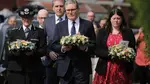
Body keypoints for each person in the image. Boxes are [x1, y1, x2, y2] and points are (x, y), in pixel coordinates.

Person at [50, 0, 96, 84]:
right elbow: (53, 45)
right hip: (65, 69)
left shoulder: (87, 25)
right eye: (68, 10)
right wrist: (63, 48)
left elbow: (94, 45)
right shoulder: (60, 26)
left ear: (78, 10)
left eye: (73, 9)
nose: (70, 12)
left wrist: (85, 47)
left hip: (82, 68)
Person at [5, 5, 46, 84]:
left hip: (33, 71)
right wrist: (14, 52)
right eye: (24, 17)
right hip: (16, 71)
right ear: (21, 18)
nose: (26, 20)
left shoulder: (39, 32)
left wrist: (33, 52)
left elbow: (43, 50)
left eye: (29, 17)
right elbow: (7, 51)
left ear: (33, 18)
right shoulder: (12, 32)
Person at [93, 8, 136, 84]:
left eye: (118, 18)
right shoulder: (102, 32)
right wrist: (111, 53)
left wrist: (125, 54)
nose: (116, 20)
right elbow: (97, 50)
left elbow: (133, 49)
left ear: (122, 19)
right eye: (114, 18)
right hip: (105, 69)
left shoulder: (128, 32)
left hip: (122, 69)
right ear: (110, 19)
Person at [43, 0, 66, 84]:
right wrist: (48, 52)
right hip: (50, 61)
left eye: (61, 6)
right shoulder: (47, 21)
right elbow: (43, 40)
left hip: (66, 60)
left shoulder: (70, 20)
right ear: (52, 8)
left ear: (65, 7)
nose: (59, 8)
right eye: (56, 6)